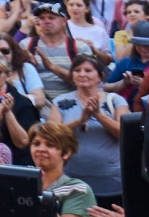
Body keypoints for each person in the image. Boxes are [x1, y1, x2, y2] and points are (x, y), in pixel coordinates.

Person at [49, 53, 131, 196]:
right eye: (77, 70)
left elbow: (125, 134)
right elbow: (51, 135)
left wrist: (99, 115)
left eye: (88, 70)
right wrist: (80, 120)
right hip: (72, 181)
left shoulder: (116, 100)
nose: (82, 74)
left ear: (100, 76)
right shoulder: (60, 101)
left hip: (111, 182)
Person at [28, 121, 95, 217]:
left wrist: (35, 195)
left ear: (66, 153)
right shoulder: (22, 183)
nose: (41, 149)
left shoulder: (78, 189)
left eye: (50, 145)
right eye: (36, 144)